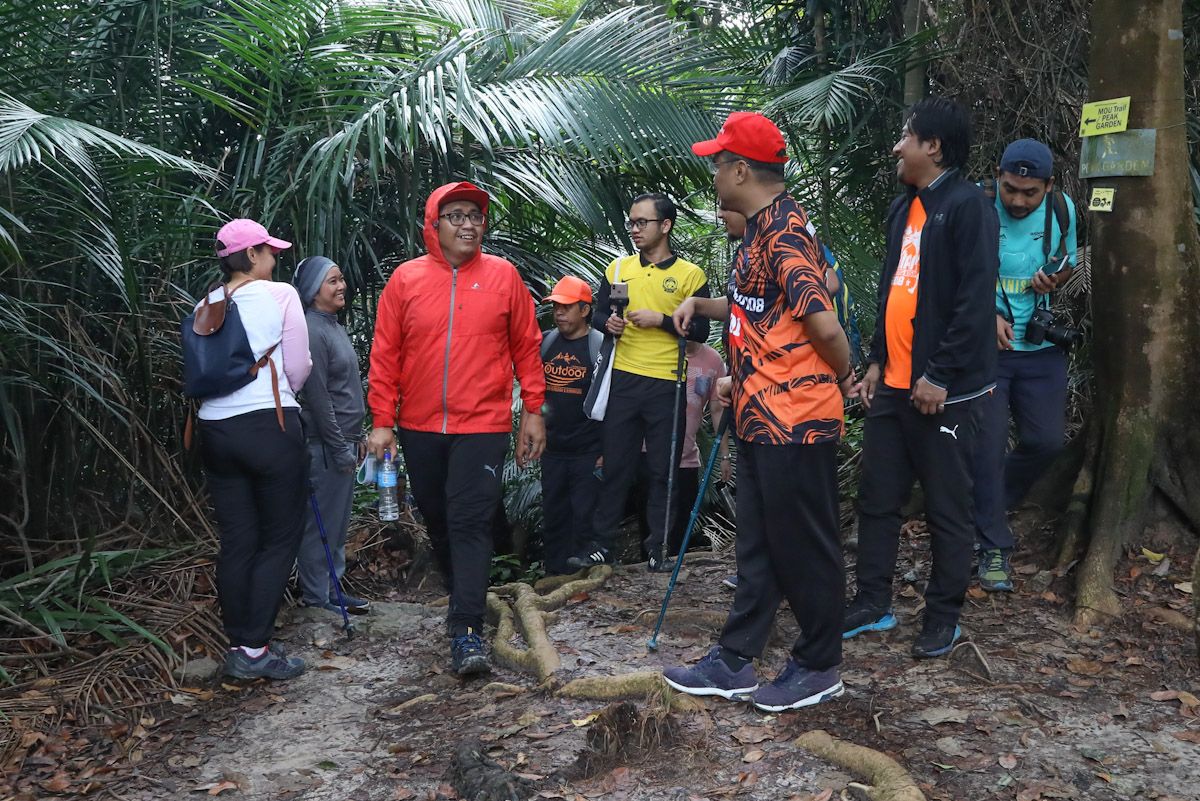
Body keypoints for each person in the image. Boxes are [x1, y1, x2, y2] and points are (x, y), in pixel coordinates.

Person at [663, 111, 854, 712]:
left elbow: (821, 319)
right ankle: (735, 659)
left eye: (718, 162)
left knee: (804, 543)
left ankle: (820, 663)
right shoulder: (756, 233)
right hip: (757, 415)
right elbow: (758, 309)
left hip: (796, 420)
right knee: (761, 544)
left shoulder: (786, 234)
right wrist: (708, 310)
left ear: (741, 168)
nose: (714, 172)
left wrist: (846, 375)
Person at [365, 182, 546, 676]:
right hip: (419, 425)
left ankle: (466, 630)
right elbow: (385, 354)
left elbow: (527, 346)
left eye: (476, 215)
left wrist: (533, 410)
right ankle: (461, 599)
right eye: (457, 215)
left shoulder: (504, 277)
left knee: (469, 521)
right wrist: (382, 421)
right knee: (439, 520)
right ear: (435, 224)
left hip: (482, 424)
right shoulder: (406, 280)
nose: (468, 224)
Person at [843, 96, 1000, 658]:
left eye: (906, 135)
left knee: (946, 507)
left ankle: (943, 617)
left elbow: (973, 302)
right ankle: (871, 603)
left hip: (944, 393)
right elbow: (894, 290)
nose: (897, 146)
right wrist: (879, 363)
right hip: (894, 386)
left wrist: (938, 374)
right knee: (878, 497)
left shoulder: (967, 206)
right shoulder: (902, 208)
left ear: (933, 145)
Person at [567, 193, 711, 572]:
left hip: (667, 383)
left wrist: (662, 321)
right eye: (632, 222)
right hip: (624, 380)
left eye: (642, 222)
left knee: (664, 470)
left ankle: (659, 548)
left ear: (665, 226)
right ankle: (601, 546)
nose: (634, 229)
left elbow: (701, 329)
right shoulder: (619, 269)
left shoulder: (690, 275)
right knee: (615, 466)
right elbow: (602, 313)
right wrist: (608, 324)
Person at [197, 219, 311, 680]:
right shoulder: (281, 294)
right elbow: (299, 364)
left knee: (238, 539)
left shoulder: (208, 301)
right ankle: (255, 650)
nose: (274, 257)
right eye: (268, 251)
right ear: (250, 257)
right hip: (270, 423)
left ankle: (241, 641)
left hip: (214, 431)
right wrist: (284, 393)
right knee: (280, 537)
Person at [973, 139, 1077, 592]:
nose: (1017, 200)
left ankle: (991, 501)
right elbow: (950, 274)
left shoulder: (1061, 209)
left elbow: (1068, 262)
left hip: (1039, 350)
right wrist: (985, 312)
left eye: (1028, 192)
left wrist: (1055, 278)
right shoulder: (975, 206)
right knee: (988, 446)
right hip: (986, 353)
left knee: (1047, 441)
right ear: (998, 175)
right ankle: (992, 546)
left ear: (1048, 186)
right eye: (1010, 188)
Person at [292, 256, 369, 614]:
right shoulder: (310, 328)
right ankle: (316, 597)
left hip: (345, 440)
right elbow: (318, 397)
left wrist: (360, 436)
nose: (342, 287)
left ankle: (333, 589)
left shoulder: (332, 325)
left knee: (337, 523)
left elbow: (346, 388)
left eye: (341, 279)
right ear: (312, 291)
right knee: (320, 522)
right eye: (332, 281)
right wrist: (340, 447)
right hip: (325, 445)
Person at [634, 339, 729, 560]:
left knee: (680, 524)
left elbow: (717, 409)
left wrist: (725, 455)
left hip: (686, 458)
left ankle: (674, 573)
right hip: (650, 453)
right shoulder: (659, 349)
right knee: (648, 522)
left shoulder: (713, 360)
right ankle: (648, 571)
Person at [539, 276, 603, 575]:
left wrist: (607, 448)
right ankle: (554, 574)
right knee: (554, 513)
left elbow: (610, 399)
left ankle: (582, 577)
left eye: (566, 307)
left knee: (585, 515)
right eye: (556, 307)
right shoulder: (547, 341)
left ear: (585, 310)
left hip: (587, 449)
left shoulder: (599, 345)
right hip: (552, 447)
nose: (559, 313)